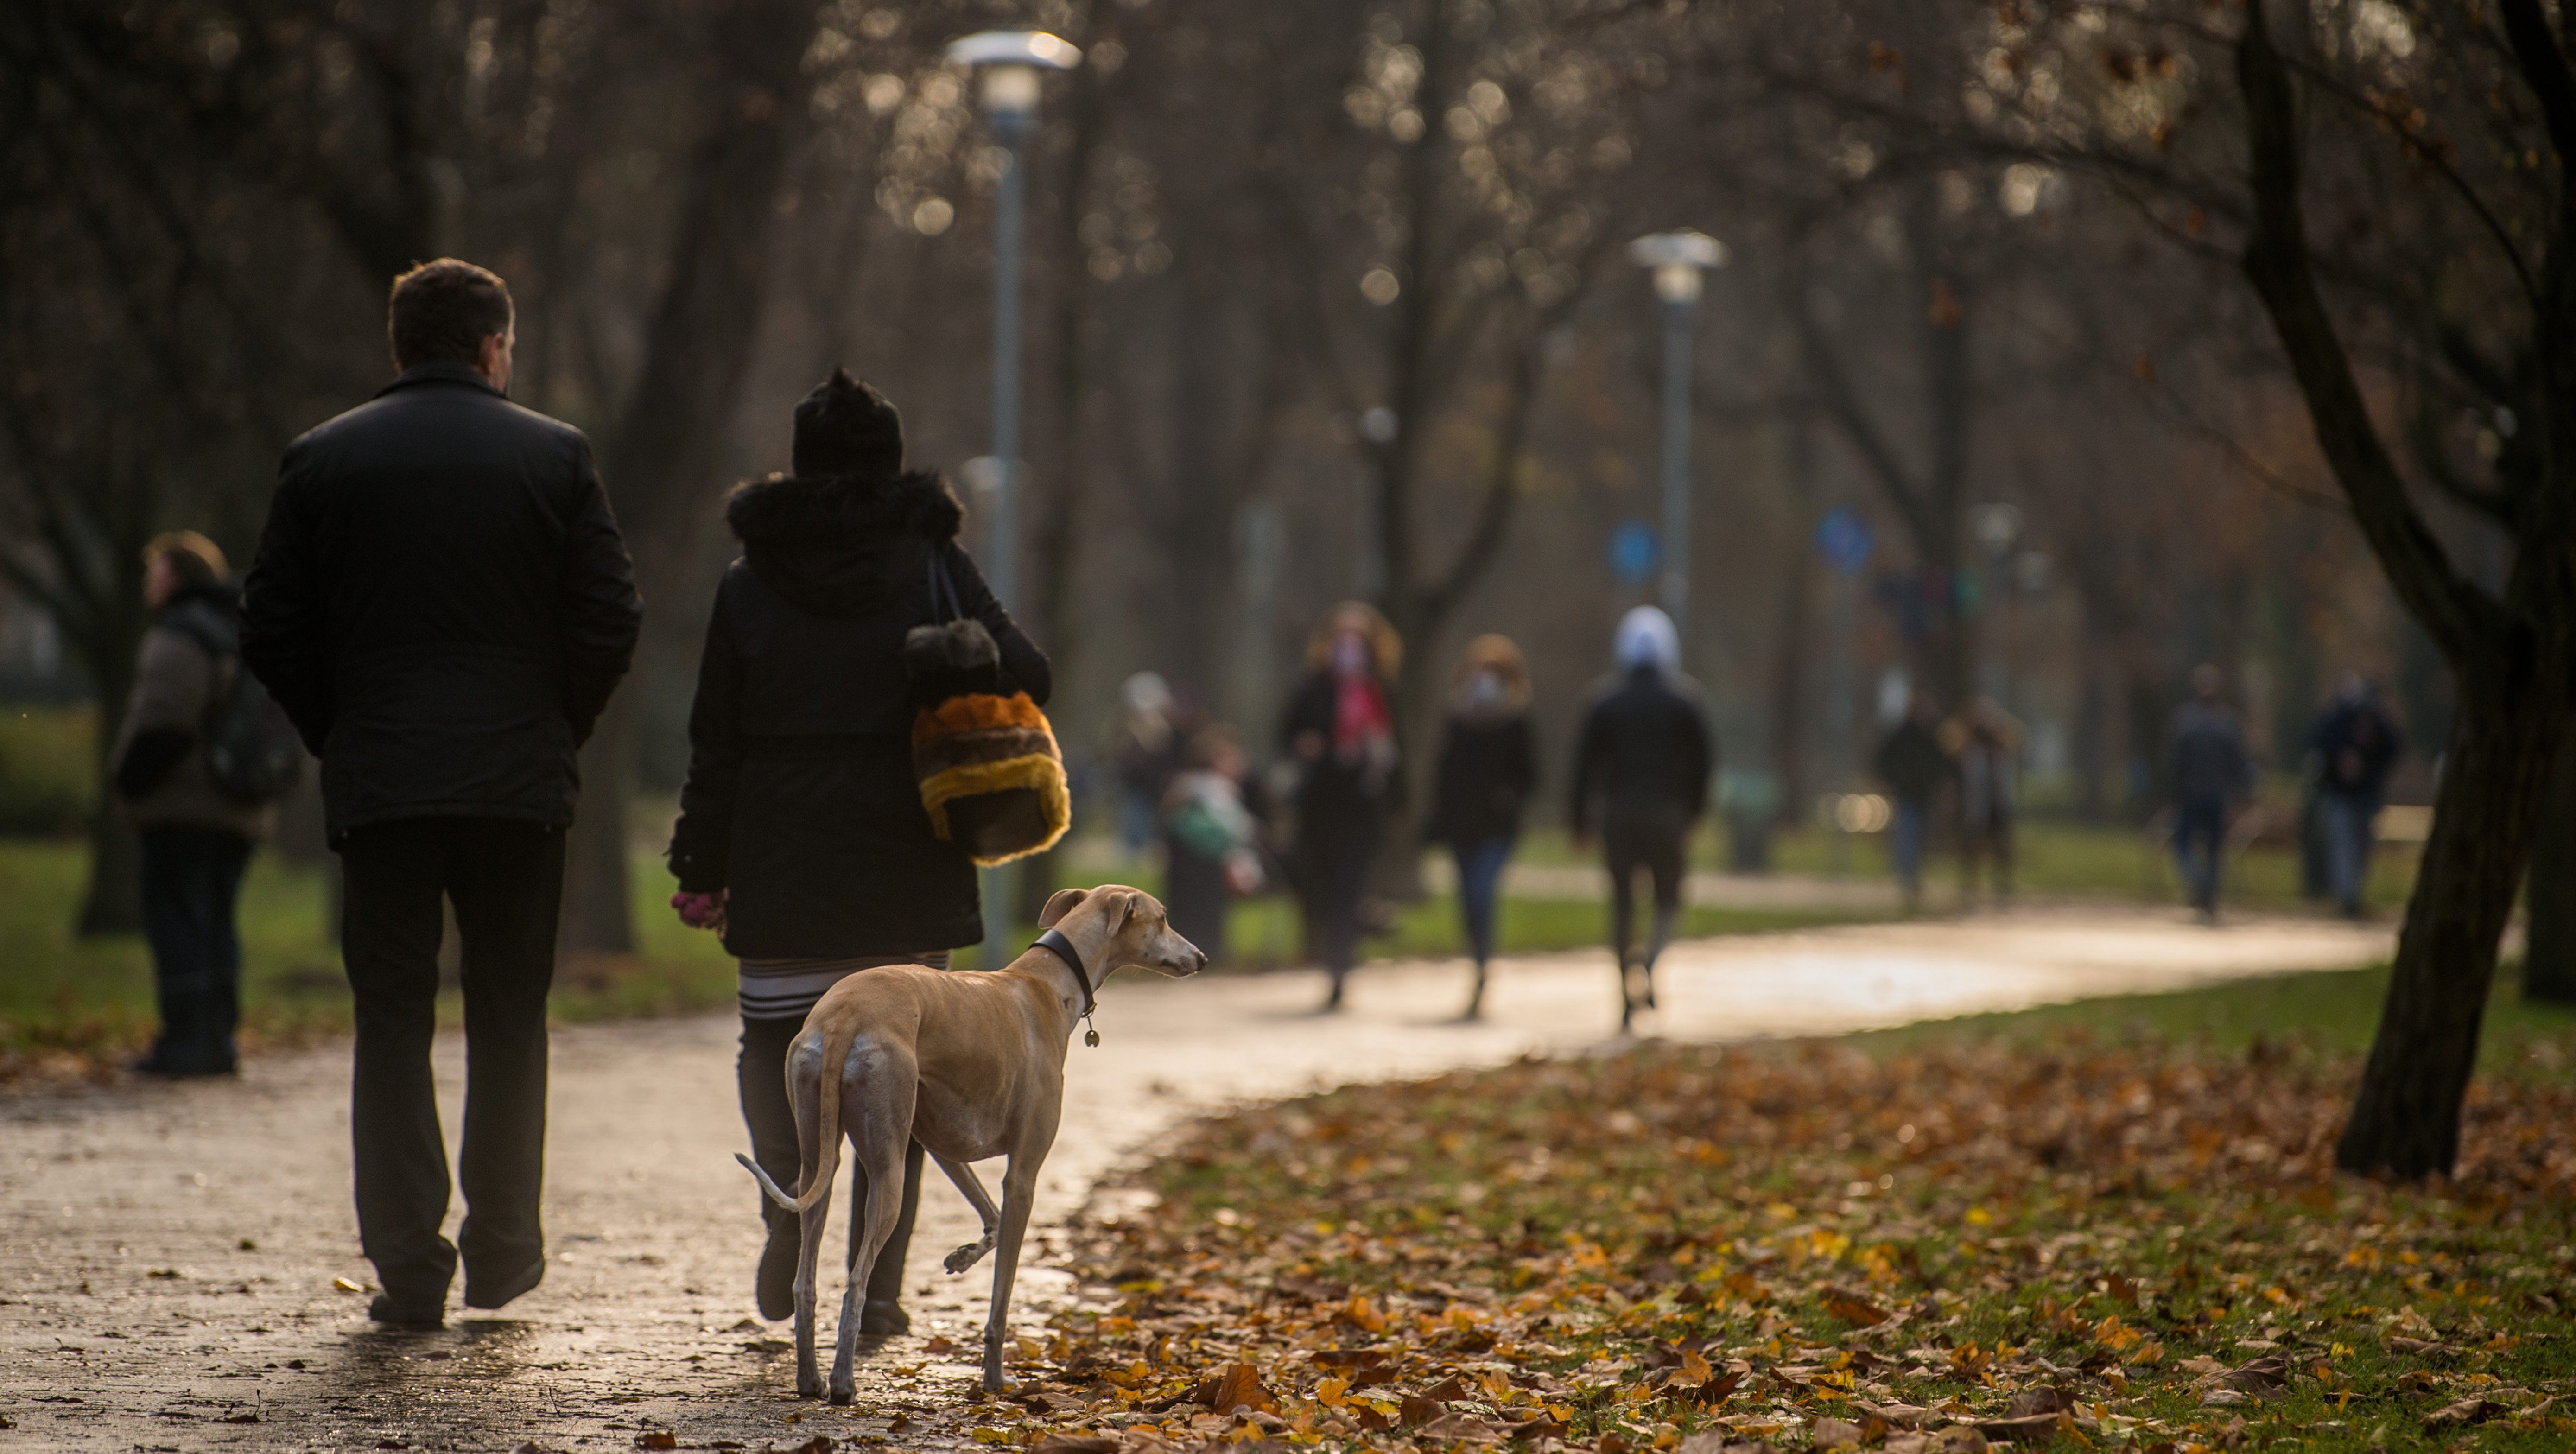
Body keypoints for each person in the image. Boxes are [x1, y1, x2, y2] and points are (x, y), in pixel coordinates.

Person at [241, 259, 641, 1328]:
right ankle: (504, 1246)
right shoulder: (556, 456)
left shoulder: (323, 458)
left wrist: (348, 727)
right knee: (510, 1012)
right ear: (493, 348)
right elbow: (611, 617)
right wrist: (555, 725)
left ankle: (408, 1265)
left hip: (384, 781)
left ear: (398, 346)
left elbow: (271, 624)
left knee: (392, 1015)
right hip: (517, 781)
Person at [665, 369, 1049, 1333]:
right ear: (892, 463)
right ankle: (874, 1288)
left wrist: (698, 865)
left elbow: (715, 738)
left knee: (773, 1037)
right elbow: (1031, 672)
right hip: (905, 849)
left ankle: (791, 1201)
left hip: (781, 848)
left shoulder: (748, 583)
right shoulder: (933, 563)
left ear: (796, 467)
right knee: (898, 1060)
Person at [110, 532, 272, 1077]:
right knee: (217, 923)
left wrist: (126, 781)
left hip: (185, 804)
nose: (148, 584)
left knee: (178, 922)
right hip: (241, 804)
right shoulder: (242, 628)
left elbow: (165, 721)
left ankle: (186, 1039)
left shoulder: (183, 633)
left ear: (177, 576)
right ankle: (219, 1036)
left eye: (154, 573)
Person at [1570, 607, 1712, 1031]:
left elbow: (1584, 767)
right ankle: (1650, 961)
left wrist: (1580, 822)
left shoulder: (1605, 703)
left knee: (1622, 901)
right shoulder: (1685, 703)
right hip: (1667, 813)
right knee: (1668, 895)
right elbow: (1704, 764)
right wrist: (1695, 812)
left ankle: (1623, 988)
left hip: (1618, 813)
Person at [1279, 602, 1403, 1011]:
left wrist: (1397, 796)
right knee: (1321, 885)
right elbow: (1286, 732)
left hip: (1359, 807)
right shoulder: (1313, 689)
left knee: (1349, 885)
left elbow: (1396, 751)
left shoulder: (1379, 692)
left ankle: (1340, 964)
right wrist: (1306, 744)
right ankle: (1329, 943)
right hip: (1319, 806)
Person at [1423, 635, 1537, 1019]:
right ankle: (1476, 955)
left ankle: (1482, 964)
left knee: (1482, 890)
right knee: (1467, 898)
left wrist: (1508, 796)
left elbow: (1530, 776)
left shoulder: (1515, 720)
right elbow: (1444, 773)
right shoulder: (1459, 718)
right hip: (1462, 824)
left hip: (1497, 826)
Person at [1160, 725, 1266, 963]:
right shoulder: (1215, 789)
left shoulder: (1181, 786)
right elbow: (1238, 828)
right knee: (1206, 920)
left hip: (1184, 868)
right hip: (1208, 864)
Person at [2309, 672, 2403, 917]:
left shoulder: (2378, 722)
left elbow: (2393, 749)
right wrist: (2340, 759)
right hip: (2340, 794)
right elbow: (2317, 743)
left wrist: (2369, 760)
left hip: (2367, 795)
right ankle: (2348, 898)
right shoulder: (2335, 722)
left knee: (2362, 846)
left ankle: (2354, 893)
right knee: (2343, 844)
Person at [2170, 663, 2252, 921]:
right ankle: (2208, 891)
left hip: (2191, 793)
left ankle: (2197, 883)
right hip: (2217, 794)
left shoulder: (2185, 720)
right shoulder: (2227, 722)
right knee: (2215, 847)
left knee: (2184, 842)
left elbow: (2175, 762)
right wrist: (2240, 792)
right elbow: (2238, 762)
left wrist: (2171, 792)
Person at [1872, 689, 1953, 914]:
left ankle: (1913, 874)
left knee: (1919, 837)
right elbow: (1883, 760)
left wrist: (1941, 785)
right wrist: (1893, 780)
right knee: (1907, 834)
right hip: (1907, 794)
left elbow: (1942, 763)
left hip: (1925, 795)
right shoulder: (1903, 734)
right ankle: (1908, 876)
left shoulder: (1931, 734)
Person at [1942, 696, 2021, 907]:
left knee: (2001, 847)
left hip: (1996, 804)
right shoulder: (1966, 748)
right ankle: (1970, 886)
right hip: (1974, 804)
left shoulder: (2000, 748)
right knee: (1970, 846)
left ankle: (2002, 888)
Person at [1111, 671, 1180, 858]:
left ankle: (1150, 850)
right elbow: (1124, 755)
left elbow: (1163, 751)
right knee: (1136, 817)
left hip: (1155, 783)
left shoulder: (1164, 727)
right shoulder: (1129, 729)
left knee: (1154, 819)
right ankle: (1133, 853)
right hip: (1137, 783)